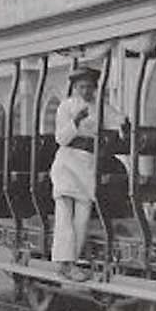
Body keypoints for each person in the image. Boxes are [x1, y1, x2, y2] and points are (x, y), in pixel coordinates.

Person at [50, 66, 125, 281]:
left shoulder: (100, 107)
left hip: (87, 164)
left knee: (82, 217)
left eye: (89, 87)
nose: (86, 91)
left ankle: (72, 262)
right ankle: (65, 264)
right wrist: (76, 121)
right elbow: (61, 138)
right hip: (67, 163)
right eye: (81, 87)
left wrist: (124, 124)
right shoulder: (66, 107)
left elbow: (117, 119)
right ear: (74, 87)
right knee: (65, 214)